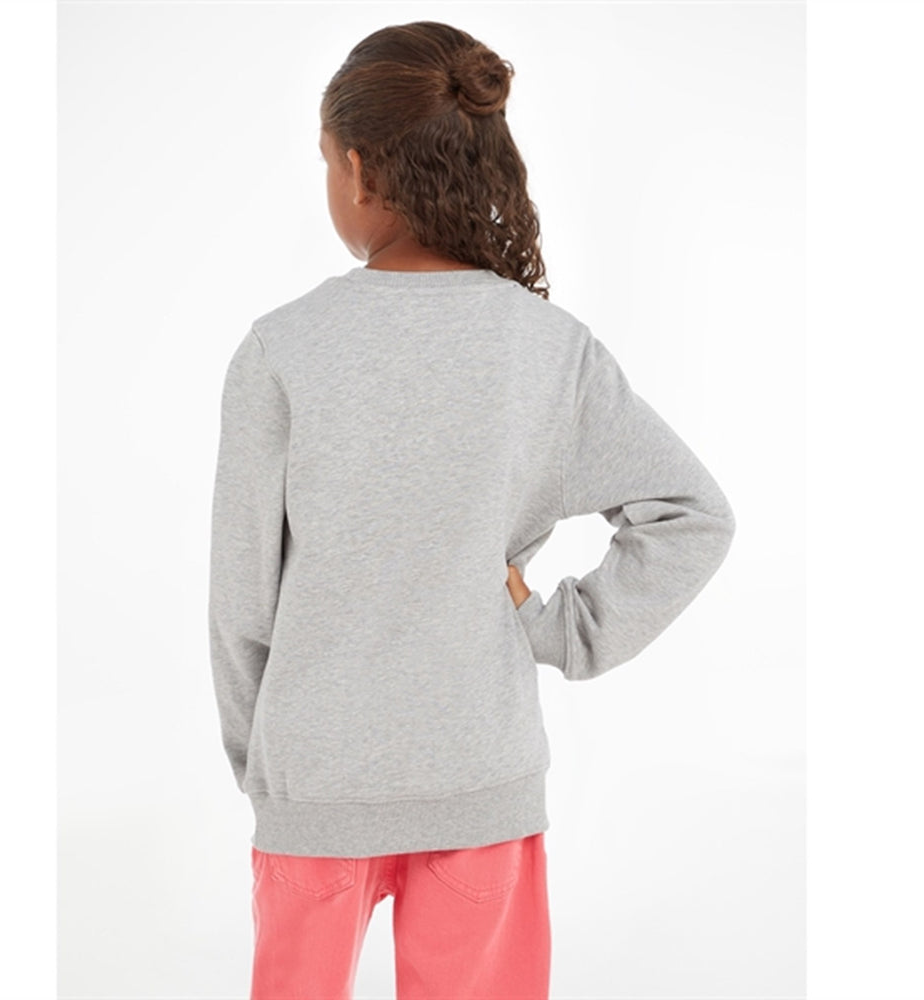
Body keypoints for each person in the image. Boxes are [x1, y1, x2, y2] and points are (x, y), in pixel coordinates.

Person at [208, 20, 736, 1000]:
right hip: (482, 777)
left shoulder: (282, 349)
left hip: (316, 780)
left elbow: (242, 600)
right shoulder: (546, 347)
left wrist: (267, 772)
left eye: (324, 160)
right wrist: (553, 627)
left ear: (358, 168)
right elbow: (692, 515)